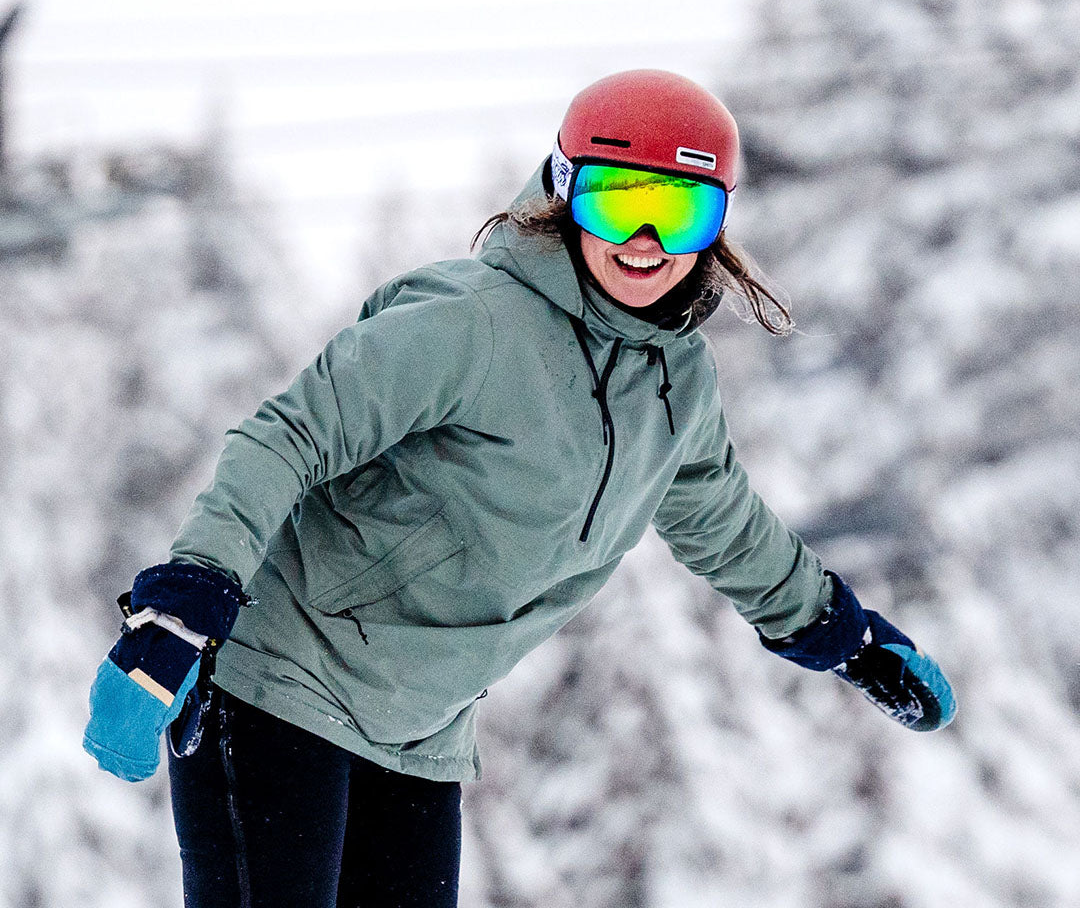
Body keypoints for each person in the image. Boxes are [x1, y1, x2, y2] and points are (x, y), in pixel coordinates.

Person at [84, 69, 956, 907]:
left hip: (421, 732)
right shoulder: (471, 322)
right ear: (566, 190)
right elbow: (291, 436)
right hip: (281, 679)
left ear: (717, 228)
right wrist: (183, 606)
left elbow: (723, 522)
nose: (645, 242)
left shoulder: (676, 386)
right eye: (620, 201)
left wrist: (841, 633)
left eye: (680, 212)